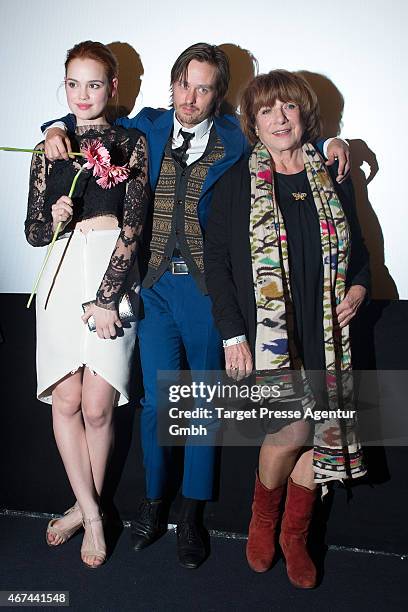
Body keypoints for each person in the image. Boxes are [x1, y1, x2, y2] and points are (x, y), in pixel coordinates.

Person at [42, 44, 350, 570]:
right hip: (154, 289)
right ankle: (153, 503)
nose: (191, 96)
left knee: (203, 405)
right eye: (184, 84)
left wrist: (337, 140)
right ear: (173, 85)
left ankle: (190, 516)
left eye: (203, 87)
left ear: (218, 94)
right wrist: (52, 127)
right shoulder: (149, 126)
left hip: (207, 291)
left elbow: (289, 137)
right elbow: (88, 117)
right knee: (156, 406)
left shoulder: (235, 136)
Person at [204, 69, 370, 587]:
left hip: (326, 334)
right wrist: (233, 335)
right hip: (269, 336)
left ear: (304, 116)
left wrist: (359, 289)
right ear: (253, 123)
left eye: (289, 108)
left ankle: (294, 536)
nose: (279, 118)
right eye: (266, 111)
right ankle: (263, 518)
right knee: (290, 429)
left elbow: (359, 254)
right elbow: (218, 265)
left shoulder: (332, 177)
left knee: (319, 436)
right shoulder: (237, 181)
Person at [25, 40, 149, 568]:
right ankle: (94, 518)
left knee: (99, 407)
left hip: (111, 274)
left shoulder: (131, 142)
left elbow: (136, 225)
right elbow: (32, 232)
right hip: (58, 275)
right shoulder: (47, 147)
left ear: (113, 87)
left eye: (94, 83)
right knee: (66, 403)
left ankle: (81, 507)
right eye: (73, 83)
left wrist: (107, 297)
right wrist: (52, 217)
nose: (82, 94)